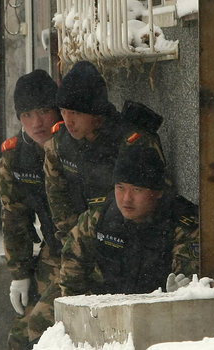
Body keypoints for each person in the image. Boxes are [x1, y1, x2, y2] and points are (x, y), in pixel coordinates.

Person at [44, 60, 166, 245]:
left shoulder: (133, 142)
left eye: (75, 113)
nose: (68, 121)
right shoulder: (60, 144)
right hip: (82, 240)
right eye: (63, 112)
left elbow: (154, 200)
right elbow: (58, 199)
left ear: (95, 112)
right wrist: (73, 245)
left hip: (132, 241)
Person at [59, 144, 199, 296]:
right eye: (120, 188)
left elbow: (190, 280)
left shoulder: (181, 225)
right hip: (106, 308)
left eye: (136, 190)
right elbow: (71, 276)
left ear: (158, 192)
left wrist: (179, 294)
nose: (126, 199)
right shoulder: (99, 217)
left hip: (157, 311)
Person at [0, 69, 63, 350]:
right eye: (26, 115)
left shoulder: (75, 145)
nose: (36, 123)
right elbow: (14, 219)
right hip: (54, 251)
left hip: (90, 250)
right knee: (21, 333)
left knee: (33, 334)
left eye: (44, 111)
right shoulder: (16, 158)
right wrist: (20, 273)